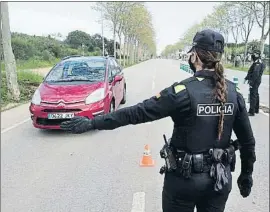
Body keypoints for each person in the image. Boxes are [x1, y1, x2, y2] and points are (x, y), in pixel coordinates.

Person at [60, 29, 256, 212]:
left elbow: (137, 113)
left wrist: (93, 122)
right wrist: (246, 174)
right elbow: (247, 142)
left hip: (183, 183)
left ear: (195, 56)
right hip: (219, 182)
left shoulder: (182, 92)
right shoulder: (234, 94)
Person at [244, 50, 265, 116]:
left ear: (258, 55)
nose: (253, 55)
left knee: (253, 95)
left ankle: (251, 111)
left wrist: (251, 83)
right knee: (256, 94)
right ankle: (256, 109)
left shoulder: (258, 63)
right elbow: (251, 71)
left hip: (255, 81)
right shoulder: (257, 62)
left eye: (255, 54)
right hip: (257, 81)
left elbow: (255, 74)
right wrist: (246, 78)